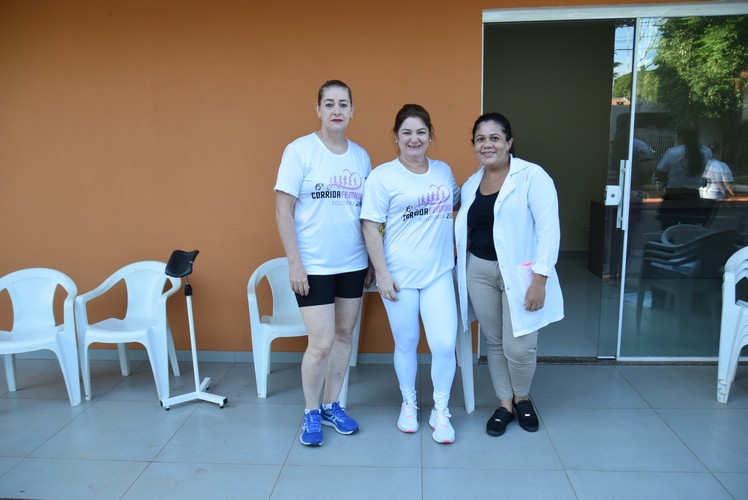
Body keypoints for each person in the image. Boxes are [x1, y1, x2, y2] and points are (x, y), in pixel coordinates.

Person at [274, 80, 374, 447]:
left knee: (345, 337)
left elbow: (368, 215)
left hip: (352, 263)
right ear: (317, 109)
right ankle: (311, 411)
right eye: (329, 103)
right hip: (313, 265)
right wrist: (294, 263)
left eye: (343, 104)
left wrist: (371, 261)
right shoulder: (299, 151)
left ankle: (333, 405)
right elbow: (283, 209)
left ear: (352, 110)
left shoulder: (361, 157)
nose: (336, 110)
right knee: (321, 341)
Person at [455, 112, 563, 437]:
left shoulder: (533, 176)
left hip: (521, 274)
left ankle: (522, 397)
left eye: (494, 138)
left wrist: (540, 280)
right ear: (474, 145)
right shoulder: (472, 183)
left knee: (521, 345)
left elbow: (549, 229)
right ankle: (504, 403)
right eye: (480, 139)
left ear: (509, 143)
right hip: (479, 270)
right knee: (494, 342)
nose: (487, 144)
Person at [361, 104, 460, 444]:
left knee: (445, 344)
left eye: (421, 132)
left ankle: (440, 410)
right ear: (396, 137)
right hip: (399, 276)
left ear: (430, 135)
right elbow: (370, 226)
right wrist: (382, 273)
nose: (414, 139)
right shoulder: (382, 176)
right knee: (406, 342)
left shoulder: (444, 172)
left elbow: (460, 204)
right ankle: (408, 404)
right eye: (407, 132)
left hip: (438, 274)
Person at [655, 122, 712, 229]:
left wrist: (665, 180)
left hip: (673, 197)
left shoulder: (673, 153)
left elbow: (659, 172)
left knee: (668, 230)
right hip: (693, 197)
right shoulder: (706, 152)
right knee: (688, 230)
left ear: (681, 136)